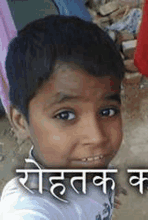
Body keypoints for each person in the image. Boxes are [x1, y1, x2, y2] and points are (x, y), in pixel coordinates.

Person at [0, 15, 125, 219]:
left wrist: (105, 194)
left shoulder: (89, 163)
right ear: (21, 122)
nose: (97, 137)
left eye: (107, 111)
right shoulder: (27, 203)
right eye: (65, 115)